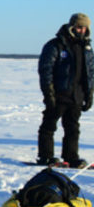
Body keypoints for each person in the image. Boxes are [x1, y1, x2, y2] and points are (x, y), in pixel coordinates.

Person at [37, 13, 93, 168]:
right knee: (49, 125)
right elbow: (46, 70)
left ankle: (71, 157)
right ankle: (46, 156)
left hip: (77, 95)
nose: (81, 30)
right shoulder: (56, 45)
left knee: (73, 128)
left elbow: (90, 72)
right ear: (72, 27)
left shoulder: (86, 48)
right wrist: (49, 93)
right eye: (79, 27)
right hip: (59, 93)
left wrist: (89, 95)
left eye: (84, 28)